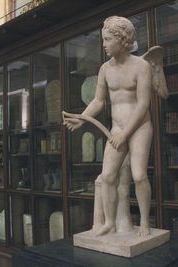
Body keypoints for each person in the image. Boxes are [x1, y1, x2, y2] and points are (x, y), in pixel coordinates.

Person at [64, 16, 153, 236]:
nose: (103, 44)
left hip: (139, 127)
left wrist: (125, 134)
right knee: (108, 177)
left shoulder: (142, 66)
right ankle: (110, 222)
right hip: (116, 129)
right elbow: (98, 101)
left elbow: (143, 105)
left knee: (139, 175)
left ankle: (144, 223)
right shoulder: (105, 69)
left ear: (121, 40)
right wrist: (81, 118)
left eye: (106, 39)